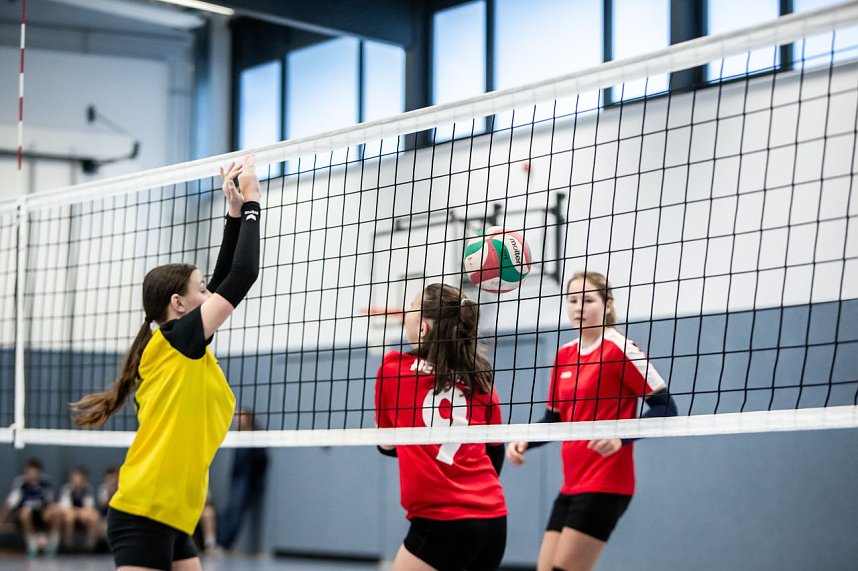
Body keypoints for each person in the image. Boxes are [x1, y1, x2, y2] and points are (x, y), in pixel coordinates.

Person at [69, 153, 262, 571]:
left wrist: (231, 214)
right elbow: (242, 274)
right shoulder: (174, 341)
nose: (210, 292)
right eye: (202, 288)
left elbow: (226, 272)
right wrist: (252, 203)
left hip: (175, 514)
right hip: (143, 510)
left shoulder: (183, 347)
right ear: (179, 305)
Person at [506, 271, 678, 571]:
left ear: (607, 305)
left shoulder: (619, 349)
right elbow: (554, 419)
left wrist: (619, 437)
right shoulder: (564, 355)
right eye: (572, 300)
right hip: (572, 484)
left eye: (587, 299)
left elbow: (666, 408)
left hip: (606, 484)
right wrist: (525, 441)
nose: (578, 307)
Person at [371, 283, 507, 571]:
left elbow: (387, 447)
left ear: (423, 329)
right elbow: (495, 454)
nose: (403, 313)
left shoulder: (393, 371)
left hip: (442, 521)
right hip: (493, 520)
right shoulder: (481, 381)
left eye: (409, 308)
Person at [217, 407, 268, 551]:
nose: (237, 419)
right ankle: (221, 542)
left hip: (246, 481)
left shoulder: (254, 436)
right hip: (236, 479)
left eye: (240, 415)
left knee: (236, 512)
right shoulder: (238, 435)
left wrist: (257, 478)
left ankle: (224, 544)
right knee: (229, 511)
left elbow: (262, 460)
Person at [0, 458, 63, 558]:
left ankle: (52, 545)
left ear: (39, 473)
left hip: (41, 515)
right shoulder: (21, 484)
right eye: (29, 472)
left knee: (56, 511)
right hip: (23, 517)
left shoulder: (45, 484)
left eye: (35, 472)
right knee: (26, 512)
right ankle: (32, 544)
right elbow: (9, 505)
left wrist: (49, 510)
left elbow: (50, 502)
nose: (32, 475)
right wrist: (1, 521)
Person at [58, 466, 100, 551]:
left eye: (80, 478)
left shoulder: (88, 489)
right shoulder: (67, 489)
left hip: (83, 515)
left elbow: (89, 507)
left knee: (94, 516)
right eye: (75, 477)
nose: (77, 480)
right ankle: (68, 544)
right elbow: (65, 508)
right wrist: (77, 512)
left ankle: (90, 545)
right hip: (69, 515)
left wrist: (80, 513)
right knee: (69, 517)